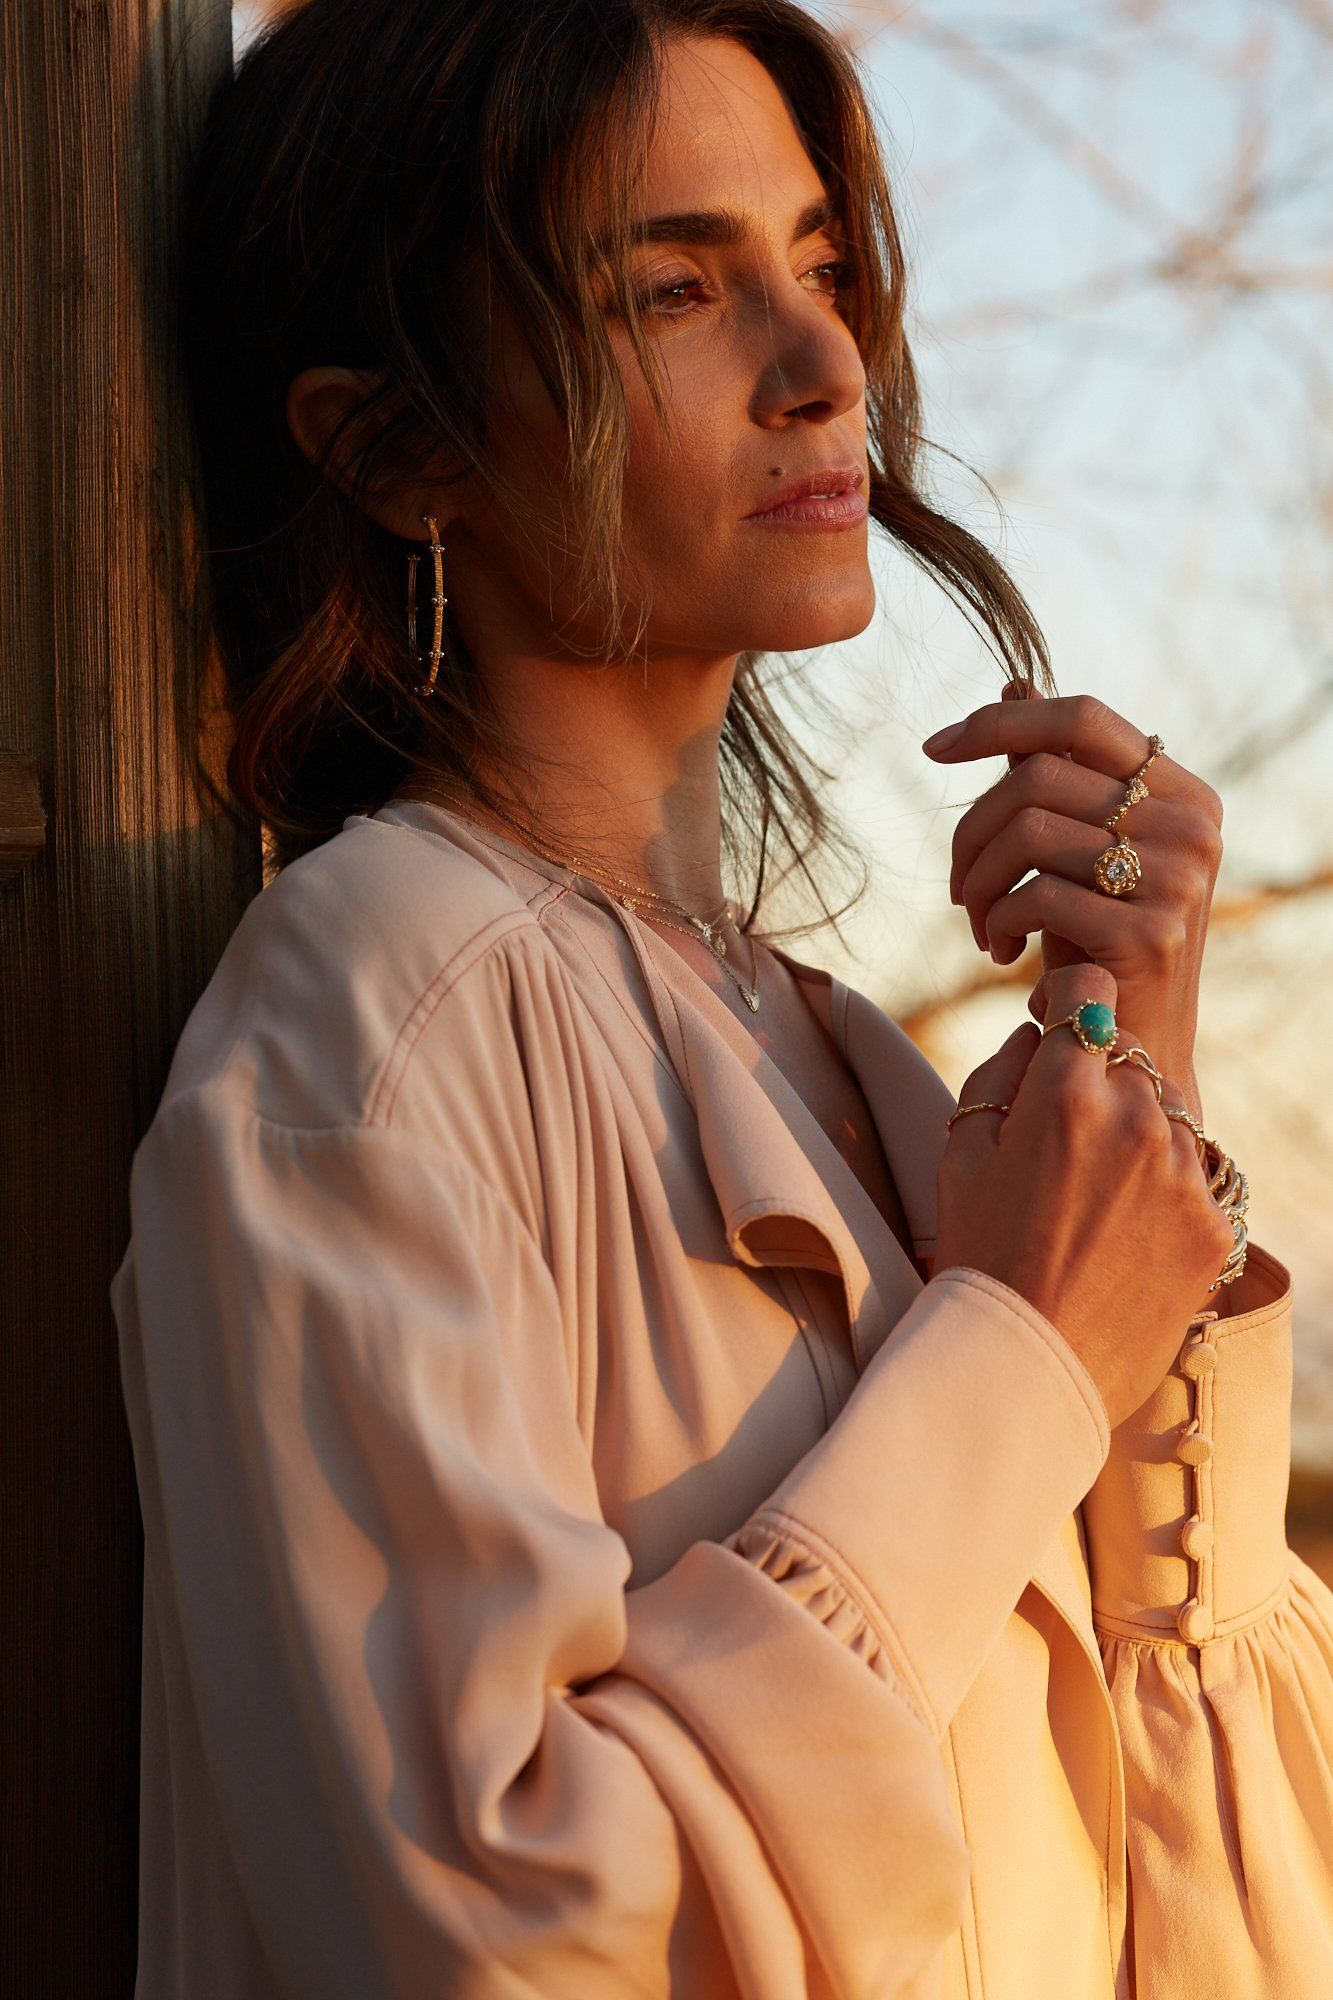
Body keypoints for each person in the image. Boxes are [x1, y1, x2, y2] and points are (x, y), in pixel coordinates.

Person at [111, 1, 1333, 1994]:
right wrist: (1021, 1352)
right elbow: (495, 1935)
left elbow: (1229, 1907)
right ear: (399, 447)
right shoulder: (370, 1015)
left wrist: (1143, 1104)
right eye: (675, 288)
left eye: (823, 265)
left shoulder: (834, 1054)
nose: (826, 363)